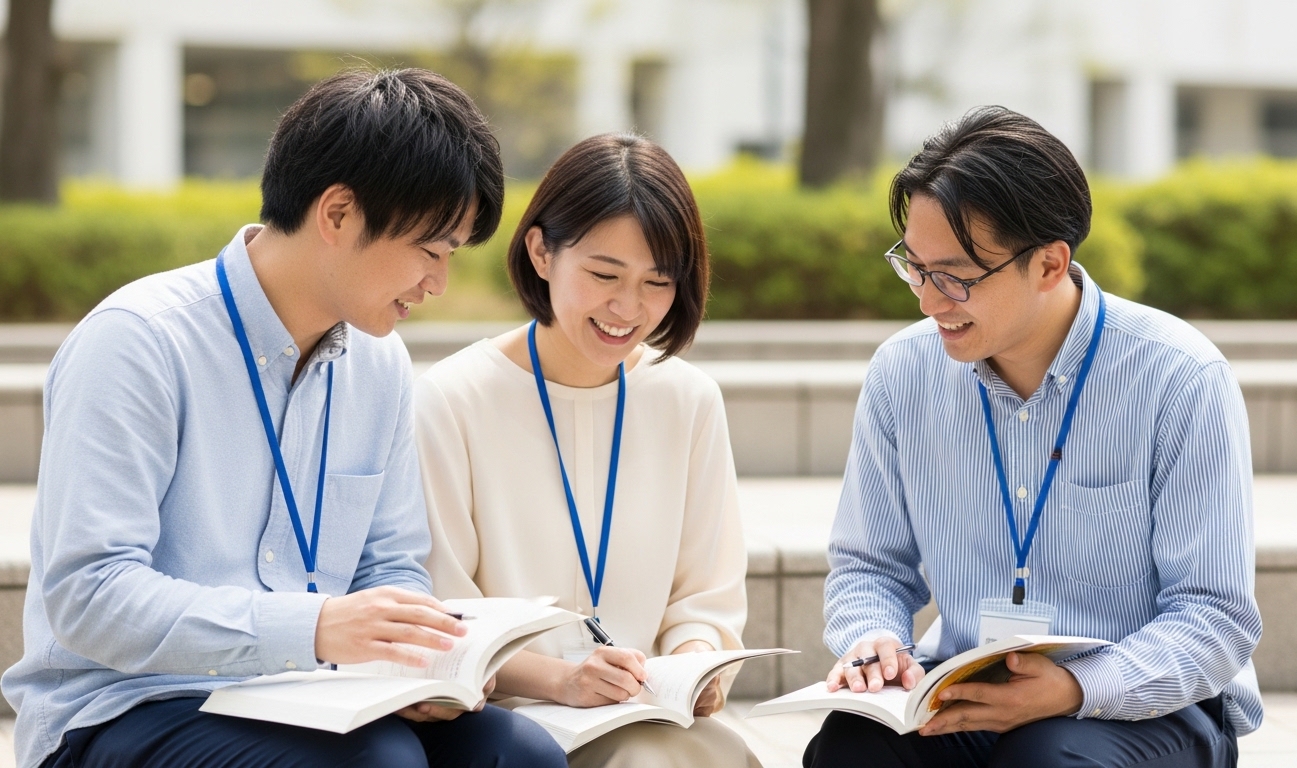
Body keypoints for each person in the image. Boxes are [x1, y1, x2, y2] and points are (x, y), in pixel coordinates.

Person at [1, 69, 566, 768]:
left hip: (312, 696)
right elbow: (89, 597)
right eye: (431, 249)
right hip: (123, 709)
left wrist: (421, 662)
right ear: (337, 214)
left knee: (518, 753)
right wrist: (319, 626)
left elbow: (388, 562)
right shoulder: (138, 342)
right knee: (377, 763)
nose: (438, 282)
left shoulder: (379, 363)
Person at [801, 106, 1261, 768]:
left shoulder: (1179, 378)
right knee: (849, 751)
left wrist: (1074, 686)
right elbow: (871, 565)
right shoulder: (904, 373)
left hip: (1150, 701)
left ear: (1049, 264)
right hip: (968, 685)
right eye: (915, 267)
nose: (929, 301)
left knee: (1047, 759)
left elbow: (1215, 619)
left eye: (956, 276)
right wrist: (874, 639)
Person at [415, 133, 759, 768]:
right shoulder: (451, 399)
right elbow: (445, 618)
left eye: (658, 282)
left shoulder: (687, 400)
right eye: (604, 274)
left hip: (644, 712)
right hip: (501, 723)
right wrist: (560, 680)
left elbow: (704, 598)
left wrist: (693, 664)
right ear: (541, 252)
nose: (627, 308)